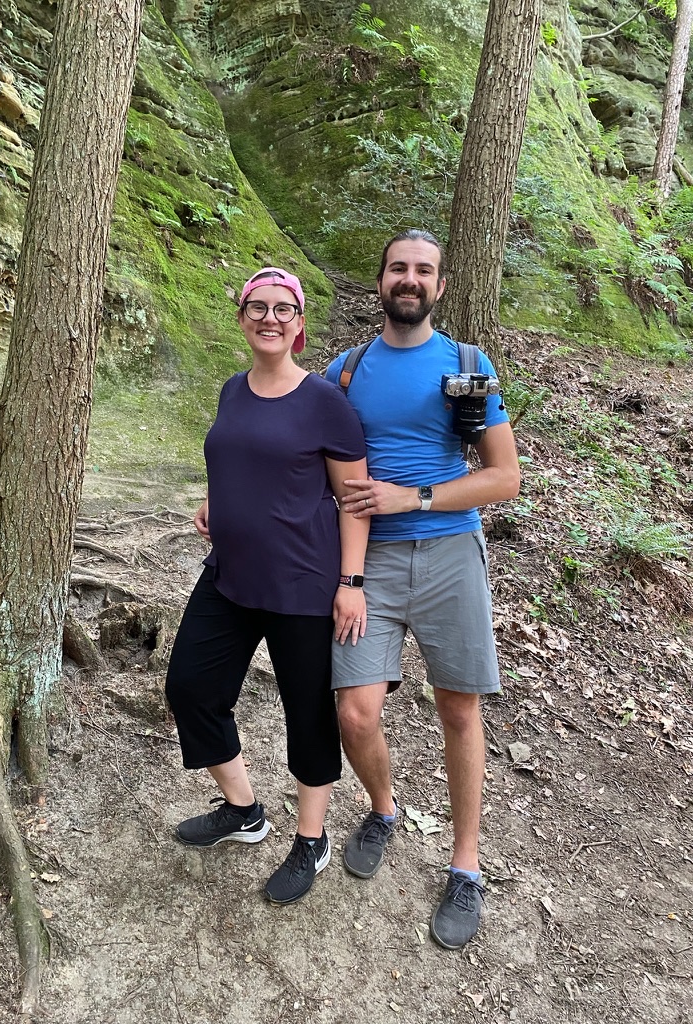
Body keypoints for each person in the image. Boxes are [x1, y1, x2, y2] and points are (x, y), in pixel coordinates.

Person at [325, 229, 520, 948]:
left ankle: (465, 866)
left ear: (439, 287)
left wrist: (416, 496)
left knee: (460, 711)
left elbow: (504, 476)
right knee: (355, 711)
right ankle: (383, 809)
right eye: (399, 268)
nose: (410, 279)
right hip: (367, 563)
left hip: (447, 553)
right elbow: (309, 464)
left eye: (424, 271)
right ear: (380, 281)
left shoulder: (468, 365)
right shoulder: (344, 373)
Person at [165, 266, 369, 906]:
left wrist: (351, 583)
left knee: (306, 714)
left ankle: (311, 837)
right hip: (230, 575)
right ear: (243, 318)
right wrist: (213, 502)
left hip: (304, 586)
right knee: (190, 687)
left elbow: (354, 500)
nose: (270, 318)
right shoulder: (232, 389)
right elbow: (231, 455)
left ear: (300, 325)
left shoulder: (324, 403)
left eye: (284, 309)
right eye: (259, 306)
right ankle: (243, 810)